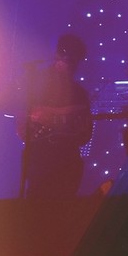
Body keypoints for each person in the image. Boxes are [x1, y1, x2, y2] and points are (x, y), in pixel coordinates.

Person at [18, 34, 92, 198]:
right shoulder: (36, 84)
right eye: (67, 56)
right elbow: (24, 115)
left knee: (62, 201)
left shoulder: (79, 93)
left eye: (75, 59)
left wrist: (54, 117)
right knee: (37, 201)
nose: (71, 63)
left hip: (66, 159)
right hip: (39, 157)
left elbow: (85, 134)